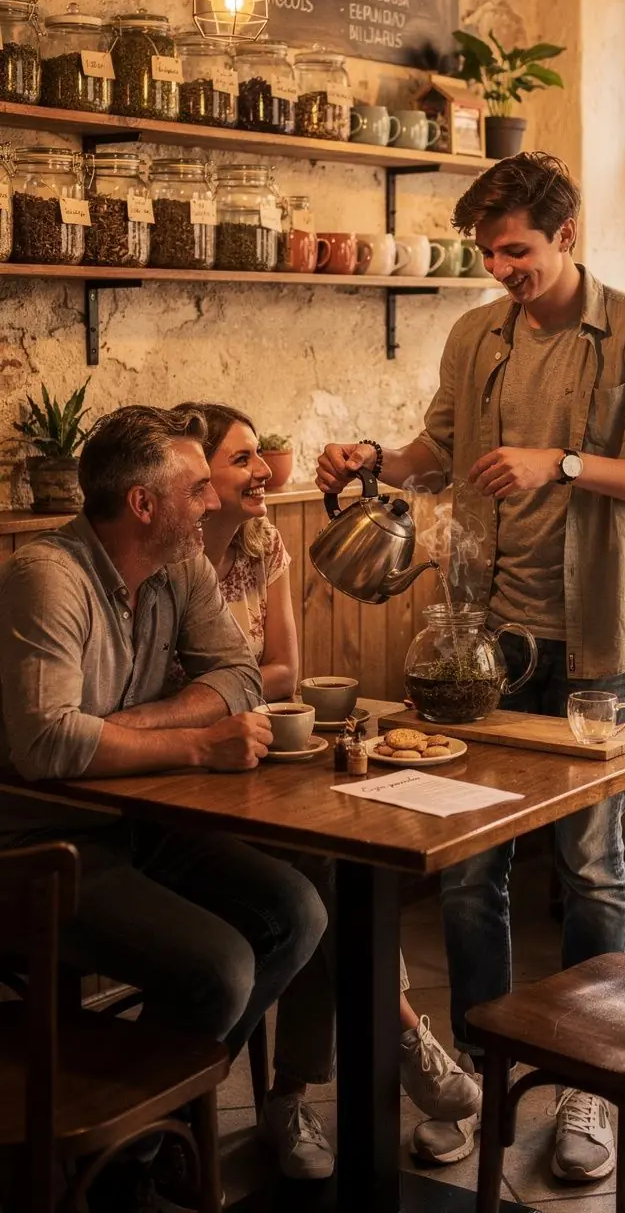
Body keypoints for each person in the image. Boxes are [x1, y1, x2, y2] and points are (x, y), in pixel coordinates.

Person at [316, 152, 625, 1182]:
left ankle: (586, 1085)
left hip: (600, 638)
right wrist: (371, 460)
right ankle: (486, 1073)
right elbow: (433, 450)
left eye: (519, 251)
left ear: (568, 237)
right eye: (490, 252)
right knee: (467, 866)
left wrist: (563, 464)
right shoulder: (475, 335)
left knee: (590, 866)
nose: (503, 270)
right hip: (485, 639)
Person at [0, 405, 328, 1213]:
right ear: (143, 504)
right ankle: (130, 1164)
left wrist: (119, 729)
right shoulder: (47, 576)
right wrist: (193, 743)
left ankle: (146, 1133)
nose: (211, 502)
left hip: (135, 819)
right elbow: (46, 747)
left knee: (299, 910)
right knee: (221, 966)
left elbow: (243, 678)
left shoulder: (179, 567)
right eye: (194, 490)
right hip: (40, 851)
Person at [178, 401, 482, 1181]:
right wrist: (227, 695)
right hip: (186, 781)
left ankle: (292, 1094)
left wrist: (218, 689)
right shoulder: (168, 558)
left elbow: (285, 668)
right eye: (243, 459)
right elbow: (222, 682)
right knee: (319, 869)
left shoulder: (264, 542)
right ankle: (397, 1037)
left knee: (332, 859)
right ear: (192, 477)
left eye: (259, 457)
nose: (263, 473)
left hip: (262, 762)